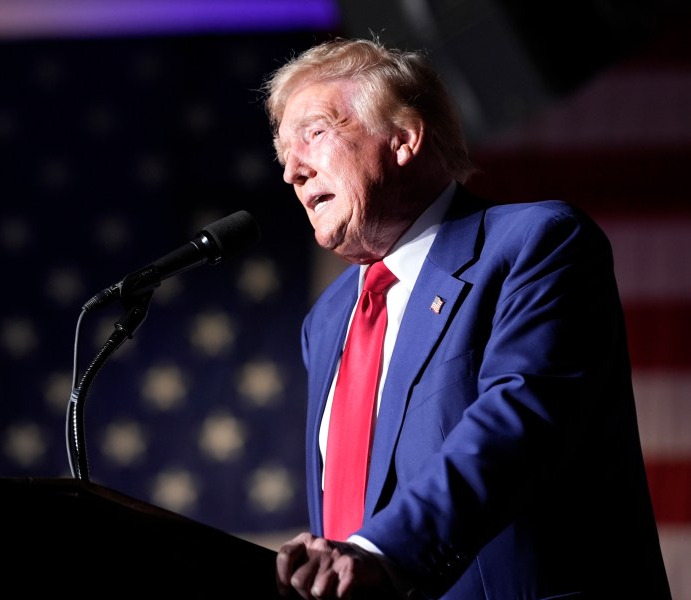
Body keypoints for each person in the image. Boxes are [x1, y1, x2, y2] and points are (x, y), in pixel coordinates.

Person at [262, 37, 671, 599]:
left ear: (404, 138)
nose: (293, 172)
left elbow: (519, 421)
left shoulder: (534, 244)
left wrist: (380, 554)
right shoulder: (328, 319)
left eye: (313, 133)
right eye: (284, 152)